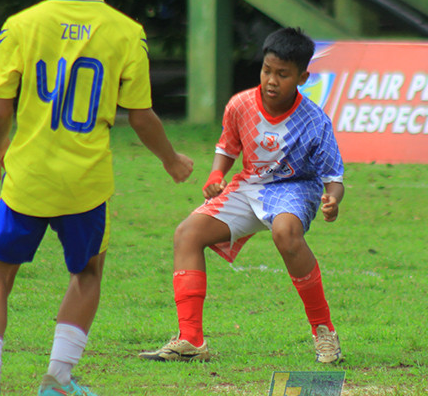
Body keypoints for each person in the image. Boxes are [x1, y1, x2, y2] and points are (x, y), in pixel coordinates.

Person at [0, 0, 193, 396]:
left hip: (28, 177)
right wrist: (172, 160)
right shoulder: (126, 31)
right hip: (86, 183)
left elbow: (0, 104)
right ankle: (57, 378)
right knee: (87, 274)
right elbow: (141, 117)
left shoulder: (20, 25)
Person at [140, 27, 345, 365]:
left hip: (295, 188)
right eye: (267, 70)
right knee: (187, 234)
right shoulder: (240, 104)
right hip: (250, 186)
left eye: (282, 74)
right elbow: (227, 146)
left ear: (302, 77)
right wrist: (216, 175)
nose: (271, 81)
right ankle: (190, 340)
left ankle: (323, 330)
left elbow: (333, 176)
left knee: (286, 233)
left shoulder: (314, 121)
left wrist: (333, 199)